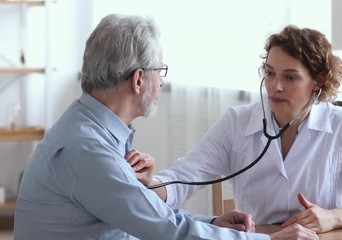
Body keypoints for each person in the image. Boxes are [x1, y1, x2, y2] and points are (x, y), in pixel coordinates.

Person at [13, 14, 318, 240]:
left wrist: (212, 224)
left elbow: (146, 214)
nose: (162, 81)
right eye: (160, 71)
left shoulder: (90, 129)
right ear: (138, 80)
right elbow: (166, 231)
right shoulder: (88, 149)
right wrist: (269, 239)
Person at [149, 25, 342, 233]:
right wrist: (150, 182)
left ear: (318, 81)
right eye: (270, 73)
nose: (275, 87)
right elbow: (184, 177)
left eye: (290, 77)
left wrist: (331, 218)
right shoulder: (236, 122)